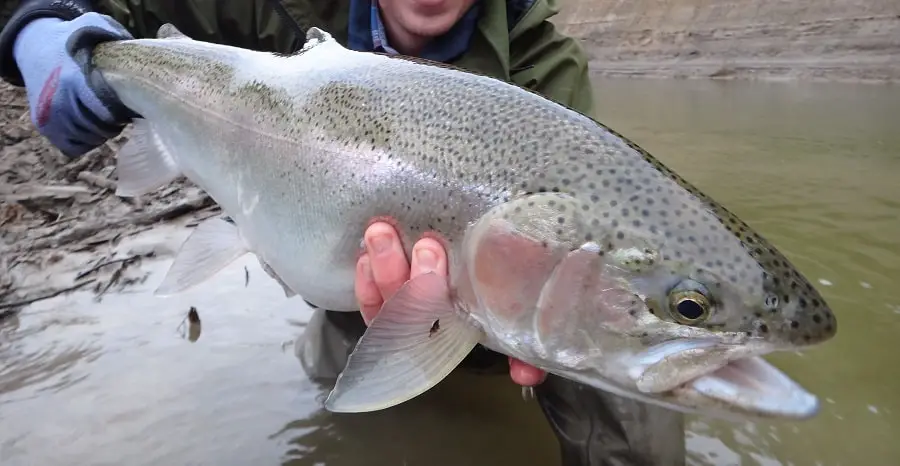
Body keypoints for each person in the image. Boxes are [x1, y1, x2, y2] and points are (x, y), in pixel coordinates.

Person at [0, 1, 687, 464]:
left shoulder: (544, 64)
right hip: (347, 288)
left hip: (504, 299)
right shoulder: (280, 6)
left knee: (632, 391)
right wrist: (37, 27)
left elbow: (594, 228)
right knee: (353, 420)